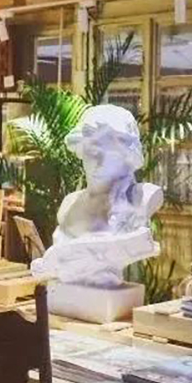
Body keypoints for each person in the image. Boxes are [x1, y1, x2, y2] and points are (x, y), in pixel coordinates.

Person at [31, 104, 162, 287]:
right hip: (70, 297)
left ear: (126, 155)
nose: (100, 161)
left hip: (107, 299)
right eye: (92, 150)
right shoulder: (69, 205)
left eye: (110, 152)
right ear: (81, 150)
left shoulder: (142, 199)